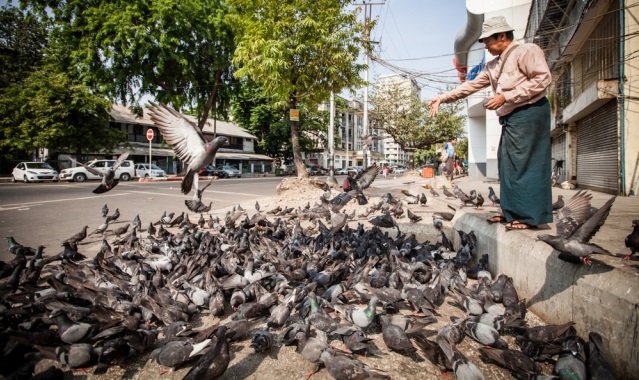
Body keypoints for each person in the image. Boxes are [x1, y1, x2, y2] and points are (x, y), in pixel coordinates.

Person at [428, 16, 552, 230]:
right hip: (511, 118)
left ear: (502, 36)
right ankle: (510, 211)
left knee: (525, 164)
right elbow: (469, 86)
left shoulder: (526, 51)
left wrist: (506, 97)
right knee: (507, 164)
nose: (485, 44)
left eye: (487, 40)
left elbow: (543, 79)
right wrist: (443, 98)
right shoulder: (492, 65)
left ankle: (529, 216)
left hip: (530, 112)